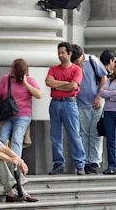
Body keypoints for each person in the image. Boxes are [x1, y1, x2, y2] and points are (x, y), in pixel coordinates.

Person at [45, 42, 86, 175]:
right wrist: (65, 84)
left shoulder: (76, 69)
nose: (60, 55)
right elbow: (48, 82)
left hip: (70, 103)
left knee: (74, 134)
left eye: (63, 53)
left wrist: (57, 85)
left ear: (69, 53)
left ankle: (80, 164)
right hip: (55, 103)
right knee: (55, 135)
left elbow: (74, 86)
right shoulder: (53, 69)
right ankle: (58, 164)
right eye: (59, 53)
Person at [71, 44, 107, 174]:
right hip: (80, 103)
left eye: (78, 60)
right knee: (83, 133)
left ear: (81, 56)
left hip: (96, 102)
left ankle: (94, 161)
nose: (77, 63)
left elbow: (104, 78)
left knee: (95, 133)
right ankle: (84, 160)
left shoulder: (92, 60)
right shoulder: (72, 64)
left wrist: (99, 96)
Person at [0, 58, 41, 157]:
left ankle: (15, 166)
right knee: (2, 138)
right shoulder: (5, 79)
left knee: (16, 138)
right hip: (6, 115)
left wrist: (26, 84)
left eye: (13, 67)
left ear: (18, 70)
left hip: (22, 115)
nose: (10, 69)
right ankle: (1, 164)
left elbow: (38, 95)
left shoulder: (29, 80)